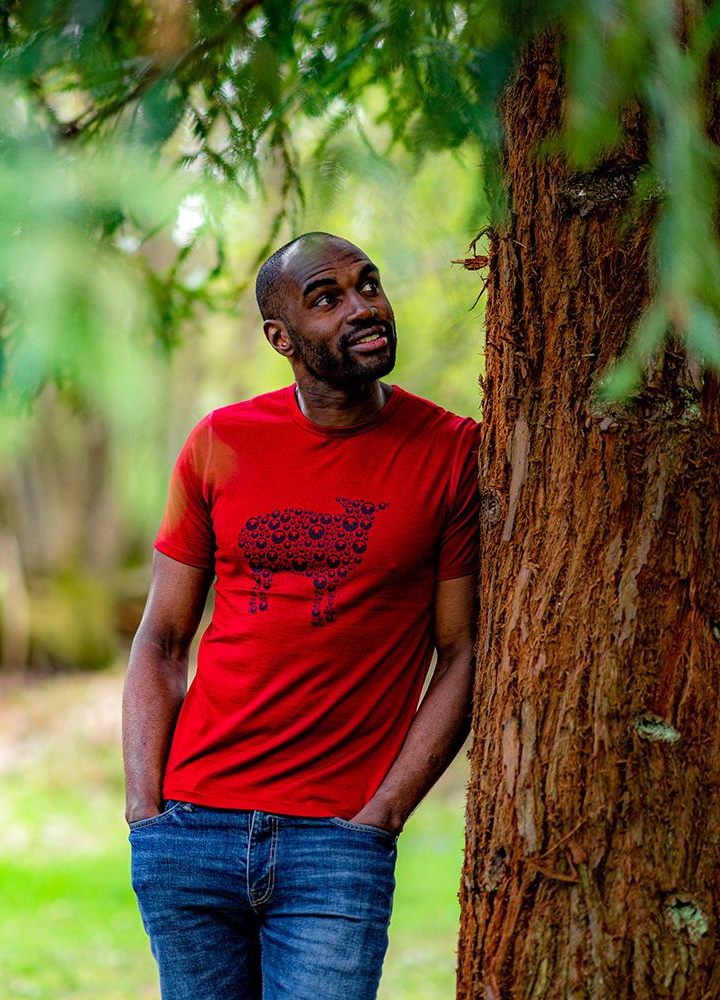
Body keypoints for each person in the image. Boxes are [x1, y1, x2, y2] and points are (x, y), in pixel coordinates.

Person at [122, 232, 479, 1000]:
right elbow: (162, 638)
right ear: (280, 338)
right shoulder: (221, 443)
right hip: (190, 830)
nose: (365, 307)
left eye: (370, 285)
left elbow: (462, 651)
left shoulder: (450, 451)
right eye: (329, 297)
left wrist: (383, 812)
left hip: (337, 843)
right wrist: (144, 812)